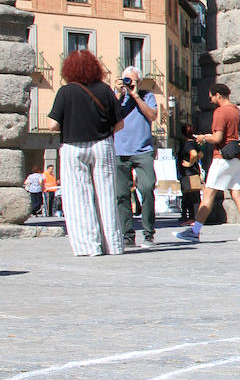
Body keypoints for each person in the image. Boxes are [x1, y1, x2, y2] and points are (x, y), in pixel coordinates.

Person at [45, 50, 124, 256]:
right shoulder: (106, 90)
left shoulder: (65, 92)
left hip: (74, 147)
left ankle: (89, 246)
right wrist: (104, 133)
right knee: (106, 196)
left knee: (78, 197)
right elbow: (120, 124)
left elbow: (53, 124)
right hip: (102, 145)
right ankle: (113, 245)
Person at [176, 83, 240, 243]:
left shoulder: (221, 112)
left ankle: (195, 231)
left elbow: (218, 138)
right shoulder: (237, 111)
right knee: (237, 193)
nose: (211, 100)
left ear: (218, 95)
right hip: (238, 157)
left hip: (222, 158)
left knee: (208, 193)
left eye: (212, 97)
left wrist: (203, 137)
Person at [114, 67, 160, 248]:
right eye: (126, 80)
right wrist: (119, 95)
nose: (129, 83)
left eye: (132, 80)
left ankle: (148, 234)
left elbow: (152, 115)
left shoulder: (146, 96)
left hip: (143, 151)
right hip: (119, 151)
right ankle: (127, 235)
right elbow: (109, 116)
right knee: (121, 195)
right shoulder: (116, 96)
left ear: (139, 82)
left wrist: (135, 96)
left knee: (147, 188)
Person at [176, 123, 202, 224]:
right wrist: (195, 162)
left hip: (188, 173)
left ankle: (193, 218)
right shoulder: (194, 143)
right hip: (194, 173)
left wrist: (189, 163)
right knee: (194, 196)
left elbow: (194, 154)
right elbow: (200, 154)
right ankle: (193, 218)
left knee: (191, 197)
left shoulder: (187, 144)